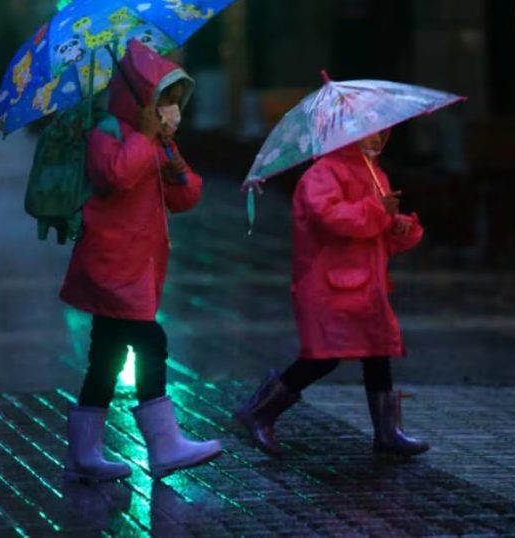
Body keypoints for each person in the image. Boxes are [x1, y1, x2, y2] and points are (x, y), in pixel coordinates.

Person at [61, 41, 222, 481]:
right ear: (142, 100)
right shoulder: (107, 132)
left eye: (176, 101)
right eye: (165, 100)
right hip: (113, 264)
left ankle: (85, 452)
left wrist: (175, 167)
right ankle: (165, 445)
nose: (172, 110)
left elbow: (185, 198)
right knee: (150, 342)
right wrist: (146, 139)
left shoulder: (155, 142)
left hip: (139, 265)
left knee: (107, 355)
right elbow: (114, 174)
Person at [234, 129, 430, 459]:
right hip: (328, 285)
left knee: (376, 352)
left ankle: (388, 431)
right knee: (323, 356)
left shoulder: (375, 173)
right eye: (368, 134)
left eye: (380, 134)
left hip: (367, 285)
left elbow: (374, 230)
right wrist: (376, 210)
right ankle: (260, 410)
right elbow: (331, 219)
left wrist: (397, 225)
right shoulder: (321, 174)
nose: (376, 140)